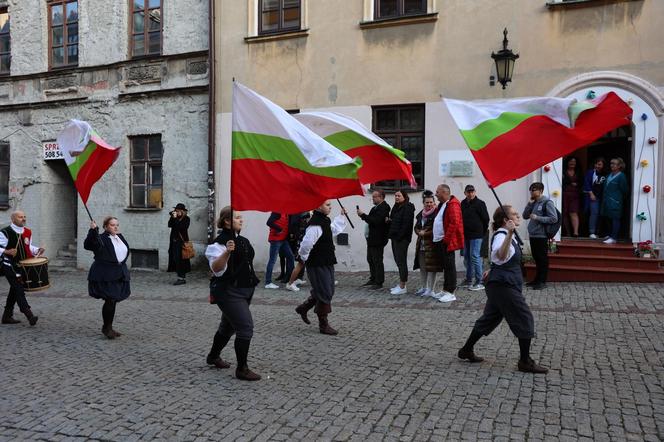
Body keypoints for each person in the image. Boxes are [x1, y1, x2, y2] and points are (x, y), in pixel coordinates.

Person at [457, 205, 548, 374]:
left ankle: (466, 350)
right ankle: (525, 361)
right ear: (507, 220)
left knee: (490, 318)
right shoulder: (502, 235)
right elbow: (499, 255)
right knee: (524, 317)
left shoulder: (505, 234)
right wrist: (510, 234)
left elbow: (498, 262)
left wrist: (493, 269)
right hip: (503, 286)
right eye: (514, 214)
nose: (518, 215)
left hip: (502, 282)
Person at [205, 207, 261, 381]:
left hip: (246, 289)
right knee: (245, 327)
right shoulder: (217, 245)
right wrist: (227, 252)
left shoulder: (243, 240)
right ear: (227, 221)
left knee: (228, 326)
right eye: (237, 217)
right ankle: (242, 369)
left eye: (241, 217)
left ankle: (213, 356)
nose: (241, 220)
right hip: (229, 291)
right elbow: (216, 269)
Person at [294, 201, 347, 335]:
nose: (330, 207)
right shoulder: (315, 224)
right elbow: (306, 244)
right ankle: (323, 324)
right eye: (327, 205)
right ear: (318, 206)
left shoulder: (324, 220)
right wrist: (304, 257)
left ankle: (304, 307)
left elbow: (332, 229)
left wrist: (341, 216)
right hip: (317, 263)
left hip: (326, 261)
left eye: (330, 204)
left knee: (327, 288)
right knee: (325, 291)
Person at [84, 217, 130, 339]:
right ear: (105, 226)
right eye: (112, 225)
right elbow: (88, 245)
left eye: (117, 225)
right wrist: (93, 231)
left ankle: (108, 327)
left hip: (119, 273)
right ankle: (107, 328)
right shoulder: (101, 238)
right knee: (110, 299)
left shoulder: (119, 237)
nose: (116, 227)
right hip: (105, 274)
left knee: (113, 300)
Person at [0, 211, 44, 325]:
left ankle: (6, 316)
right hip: (9, 265)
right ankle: (28, 314)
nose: (23, 219)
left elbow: (28, 247)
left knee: (14, 289)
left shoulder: (28, 232)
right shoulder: (5, 232)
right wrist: (6, 251)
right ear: (13, 219)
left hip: (23, 266)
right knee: (19, 288)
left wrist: (37, 250)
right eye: (20, 217)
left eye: (24, 216)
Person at [432, 184, 464, 302]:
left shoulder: (453, 204)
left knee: (450, 266)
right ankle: (445, 290)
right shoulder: (443, 204)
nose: (436, 194)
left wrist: (446, 239)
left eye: (437, 192)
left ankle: (451, 292)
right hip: (441, 240)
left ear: (445, 193)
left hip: (447, 242)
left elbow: (454, 222)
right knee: (446, 266)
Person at [522, 182, 557, 290]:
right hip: (533, 235)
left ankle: (542, 281)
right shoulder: (534, 202)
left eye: (534, 189)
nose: (532, 191)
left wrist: (538, 218)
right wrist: (529, 204)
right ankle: (536, 280)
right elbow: (524, 216)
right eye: (531, 190)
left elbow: (553, 218)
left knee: (542, 259)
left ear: (541, 191)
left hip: (541, 235)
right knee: (536, 258)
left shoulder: (547, 202)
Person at [357, 190, 391, 290]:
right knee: (370, 259)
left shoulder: (384, 208)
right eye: (373, 196)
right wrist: (363, 216)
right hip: (372, 238)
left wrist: (363, 215)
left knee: (377, 260)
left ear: (381, 197)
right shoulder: (375, 208)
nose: (373, 198)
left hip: (378, 238)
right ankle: (373, 278)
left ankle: (379, 281)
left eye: (375, 197)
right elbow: (371, 220)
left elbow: (376, 221)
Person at [413, 191, 444, 298]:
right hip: (421, 245)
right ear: (424, 203)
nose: (429, 204)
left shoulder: (437, 213)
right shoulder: (421, 214)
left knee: (432, 268)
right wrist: (418, 232)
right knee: (423, 267)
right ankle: (424, 287)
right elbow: (416, 227)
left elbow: (437, 229)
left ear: (434, 202)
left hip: (432, 245)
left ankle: (431, 289)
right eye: (427, 202)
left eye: (431, 202)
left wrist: (425, 233)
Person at [460, 185, 490, 291]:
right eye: (468, 192)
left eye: (472, 192)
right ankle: (468, 280)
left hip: (477, 235)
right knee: (467, 257)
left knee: (475, 256)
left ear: (475, 192)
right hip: (466, 234)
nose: (470, 193)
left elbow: (486, 219)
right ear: (465, 193)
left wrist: (481, 231)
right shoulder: (463, 203)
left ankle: (479, 281)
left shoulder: (480, 204)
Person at [387, 190, 415, 295]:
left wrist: (399, 237)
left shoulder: (407, 207)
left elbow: (406, 225)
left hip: (402, 239)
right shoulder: (396, 207)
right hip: (395, 238)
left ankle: (403, 286)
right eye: (395, 196)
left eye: (399, 196)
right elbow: (395, 220)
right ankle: (401, 283)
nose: (397, 197)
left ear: (404, 196)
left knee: (401, 261)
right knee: (398, 261)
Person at [601, 157, 629, 244]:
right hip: (606, 201)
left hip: (616, 201)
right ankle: (610, 235)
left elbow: (625, 190)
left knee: (615, 219)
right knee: (608, 218)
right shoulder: (609, 175)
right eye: (611, 163)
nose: (612, 165)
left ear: (619, 166)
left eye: (614, 163)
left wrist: (618, 199)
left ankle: (614, 238)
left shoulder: (621, 176)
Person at [264, 212, 295, 289]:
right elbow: (269, 222)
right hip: (276, 240)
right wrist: (279, 229)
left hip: (283, 239)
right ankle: (268, 282)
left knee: (290, 257)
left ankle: (291, 279)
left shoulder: (286, 213)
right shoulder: (277, 212)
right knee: (272, 260)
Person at [285, 211, 312, 292]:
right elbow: (294, 224)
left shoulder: (305, 212)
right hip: (302, 240)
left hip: (303, 239)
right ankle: (290, 283)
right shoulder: (300, 213)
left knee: (306, 262)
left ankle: (298, 279)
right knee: (301, 262)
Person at [167, 203, 191, 285]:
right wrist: (172, 217)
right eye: (176, 210)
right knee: (175, 259)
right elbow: (169, 225)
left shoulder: (186, 219)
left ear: (183, 211)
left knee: (181, 260)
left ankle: (181, 278)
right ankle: (179, 276)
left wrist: (176, 218)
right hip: (174, 242)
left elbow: (181, 227)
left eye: (178, 211)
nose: (177, 212)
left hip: (182, 243)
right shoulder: (174, 218)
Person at [583, 157, 606, 239]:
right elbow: (586, 183)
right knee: (594, 214)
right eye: (596, 164)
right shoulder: (591, 172)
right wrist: (591, 194)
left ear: (603, 165)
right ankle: (592, 232)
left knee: (602, 214)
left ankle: (599, 232)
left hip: (603, 198)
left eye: (600, 164)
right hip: (594, 197)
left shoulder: (606, 174)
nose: (597, 166)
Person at [562, 156, 582, 237]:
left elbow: (582, 182)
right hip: (565, 194)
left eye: (574, 161)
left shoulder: (579, 172)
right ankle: (568, 233)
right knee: (565, 213)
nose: (572, 163)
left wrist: (577, 184)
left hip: (575, 195)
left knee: (574, 212)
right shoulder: (563, 171)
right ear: (567, 162)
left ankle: (575, 232)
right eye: (570, 161)